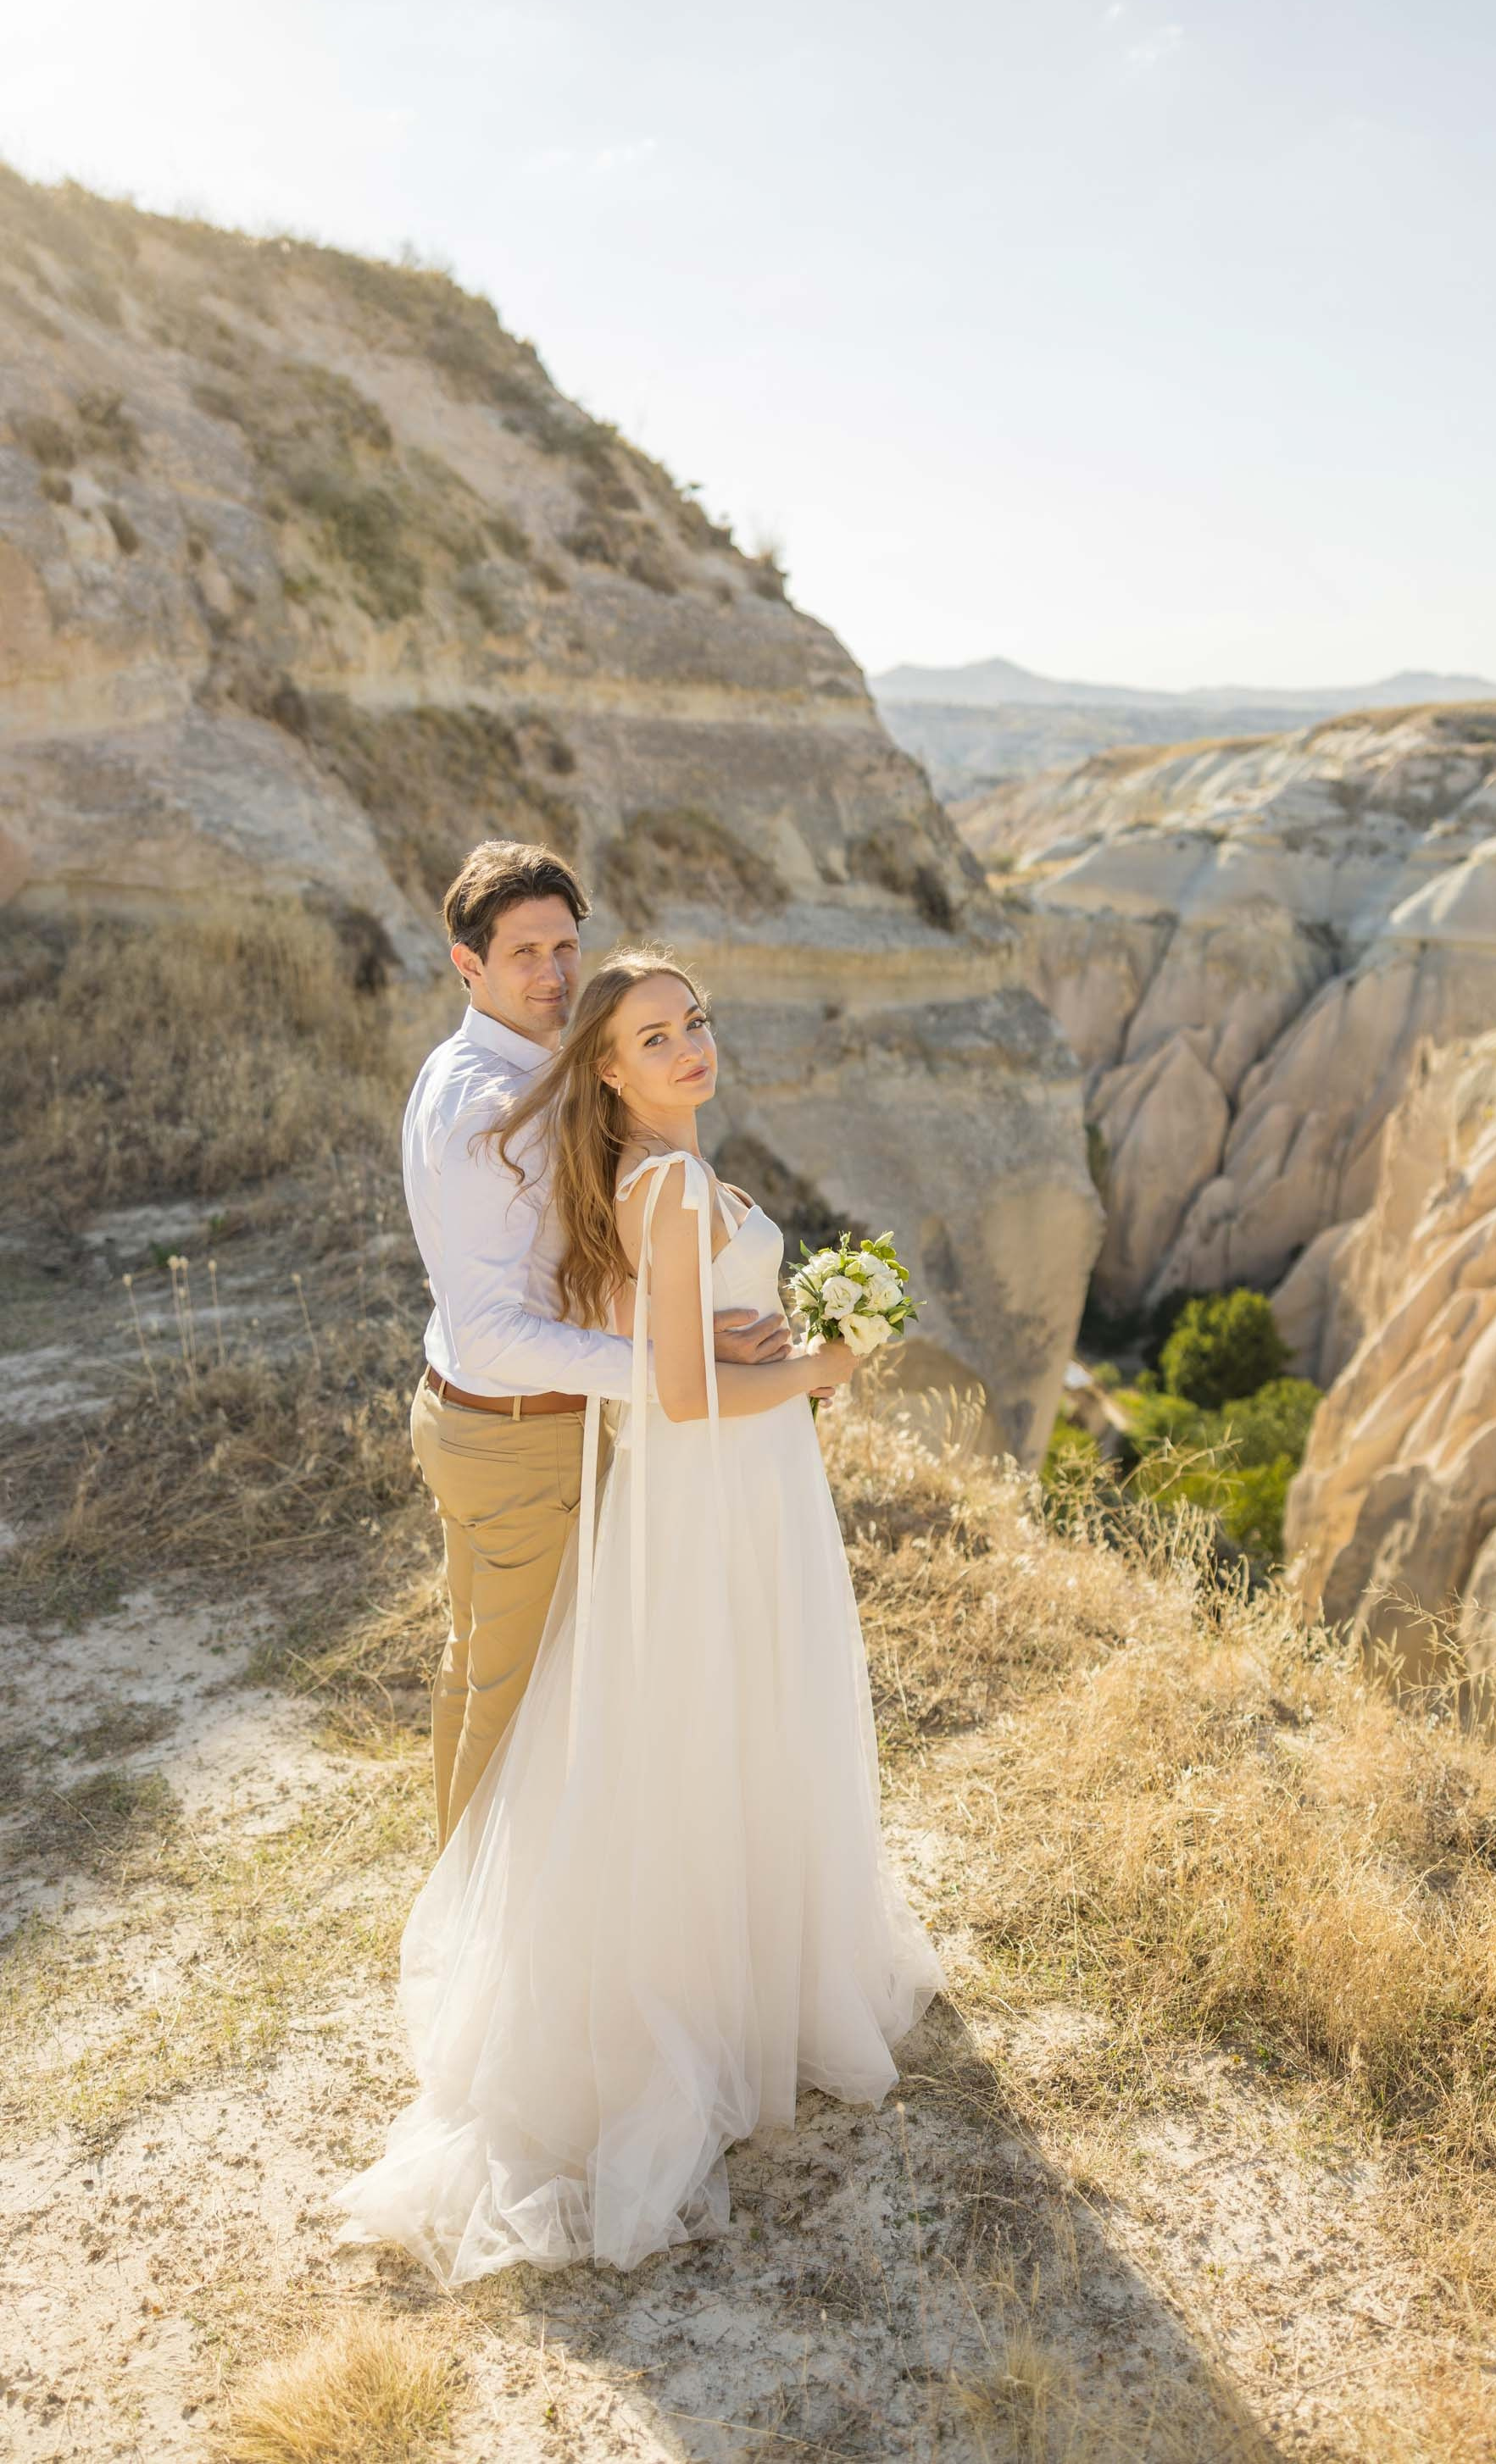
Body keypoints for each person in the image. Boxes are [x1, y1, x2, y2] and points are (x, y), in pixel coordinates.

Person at [336, 949, 942, 2277]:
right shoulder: (663, 1184)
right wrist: (830, 1363)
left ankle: (745, 1977)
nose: (688, 1048)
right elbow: (673, 1392)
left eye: (696, 1023)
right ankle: (693, 2009)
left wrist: (789, 1354)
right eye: (654, 1037)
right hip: (713, 1483)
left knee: (724, 1718)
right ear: (605, 1069)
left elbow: (692, 1355)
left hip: (740, 1481)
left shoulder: (664, 1173)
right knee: (714, 1717)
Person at [402, 843, 791, 1850]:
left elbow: (548, 1272)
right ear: (467, 965)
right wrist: (676, 1367)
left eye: (566, 946)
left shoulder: (471, 1070)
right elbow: (500, 1325)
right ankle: (478, 1936)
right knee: (518, 1700)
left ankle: (464, 1898)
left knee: (480, 1668)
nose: (554, 973)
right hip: (521, 1436)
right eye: (524, 952)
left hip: (469, 1413)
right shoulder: (495, 1108)